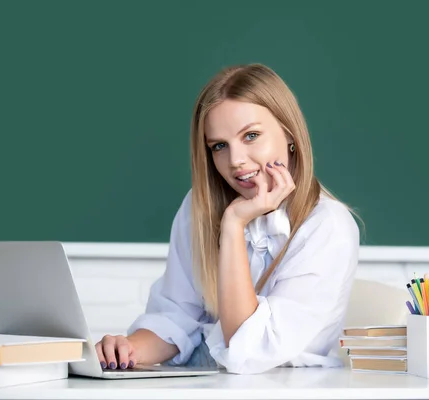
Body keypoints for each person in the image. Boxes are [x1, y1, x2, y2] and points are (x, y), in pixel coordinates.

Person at [96, 63, 361, 374]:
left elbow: (246, 350)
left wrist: (233, 225)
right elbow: (177, 316)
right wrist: (128, 349)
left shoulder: (328, 226)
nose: (235, 161)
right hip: (207, 387)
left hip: (287, 390)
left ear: (290, 134)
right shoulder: (200, 206)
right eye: (219, 146)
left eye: (251, 136)